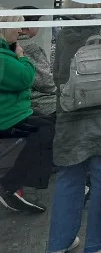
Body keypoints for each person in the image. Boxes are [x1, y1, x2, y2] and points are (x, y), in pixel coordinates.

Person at [47, 0, 101, 253]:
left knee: (68, 177)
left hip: (70, 111)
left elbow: (58, 74)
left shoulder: (67, 29)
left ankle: (59, 243)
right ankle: (97, 242)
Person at [0, 12, 54, 213]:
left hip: (13, 111)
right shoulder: (4, 57)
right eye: (17, 28)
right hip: (7, 117)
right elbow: (26, 77)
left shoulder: (5, 51)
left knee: (48, 125)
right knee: (46, 131)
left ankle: (21, 182)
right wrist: (22, 57)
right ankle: (11, 185)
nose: (19, 32)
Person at [14, 7, 57, 119]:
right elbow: (45, 83)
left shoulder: (10, 44)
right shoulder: (30, 47)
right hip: (37, 103)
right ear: (28, 26)